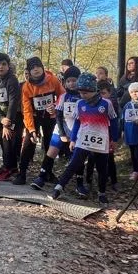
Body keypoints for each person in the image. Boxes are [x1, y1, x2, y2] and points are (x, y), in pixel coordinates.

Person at [52, 72, 119, 204]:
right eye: (81, 92)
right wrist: (73, 139)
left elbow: (114, 121)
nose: (83, 95)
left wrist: (114, 139)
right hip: (83, 139)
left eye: (86, 93)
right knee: (74, 164)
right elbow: (77, 121)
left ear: (94, 90)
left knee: (102, 168)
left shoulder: (106, 104)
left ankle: (102, 192)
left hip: (101, 140)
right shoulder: (80, 103)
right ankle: (59, 187)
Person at [12, 56, 64, 185]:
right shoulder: (26, 87)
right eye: (32, 68)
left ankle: (48, 172)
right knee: (29, 142)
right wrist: (31, 128)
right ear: (28, 71)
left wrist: (56, 107)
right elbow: (27, 110)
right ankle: (22, 173)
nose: (36, 69)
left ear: (42, 67)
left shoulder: (53, 80)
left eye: (38, 66)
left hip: (49, 116)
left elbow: (63, 95)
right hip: (34, 116)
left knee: (49, 143)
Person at [30, 65, 82, 192]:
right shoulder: (63, 96)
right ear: (65, 82)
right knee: (51, 152)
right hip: (61, 129)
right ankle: (41, 177)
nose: (71, 83)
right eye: (68, 81)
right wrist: (62, 133)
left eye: (74, 80)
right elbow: (58, 116)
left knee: (77, 157)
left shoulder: (83, 96)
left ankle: (80, 184)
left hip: (78, 132)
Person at [0, 53, 23, 181]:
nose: (1, 67)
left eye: (4, 64)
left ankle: (11, 167)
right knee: (4, 143)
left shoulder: (12, 79)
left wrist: (8, 123)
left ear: (8, 66)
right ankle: (8, 165)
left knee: (11, 142)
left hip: (14, 116)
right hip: (2, 116)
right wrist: (1, 118)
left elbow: (14, 101)